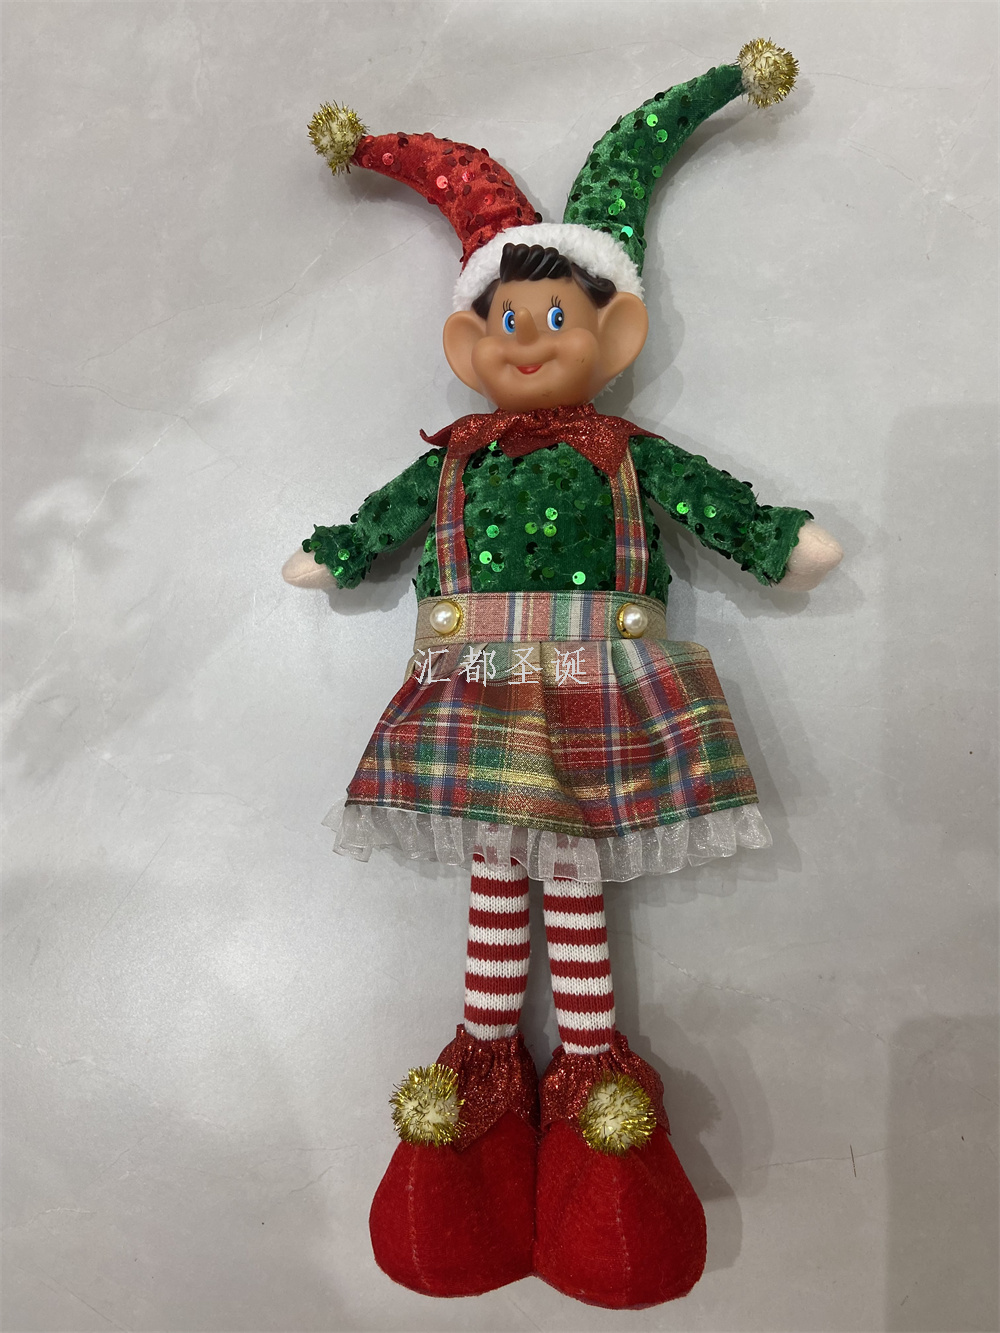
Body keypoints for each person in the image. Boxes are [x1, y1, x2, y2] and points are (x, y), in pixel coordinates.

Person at [283, 43, 842, 1310]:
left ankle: (591, 1085)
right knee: (501, 875)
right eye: (503, 322)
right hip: (479, 687)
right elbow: (375, 520)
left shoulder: (626, 452)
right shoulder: (452, 459)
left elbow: (716, 504)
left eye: (555, 320)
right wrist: (336, 549)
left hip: (602, 689)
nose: (527, 343)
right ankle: (482, 1077)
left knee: (570, 875)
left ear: (614, 331)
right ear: (464, 340)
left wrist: (775, 538)